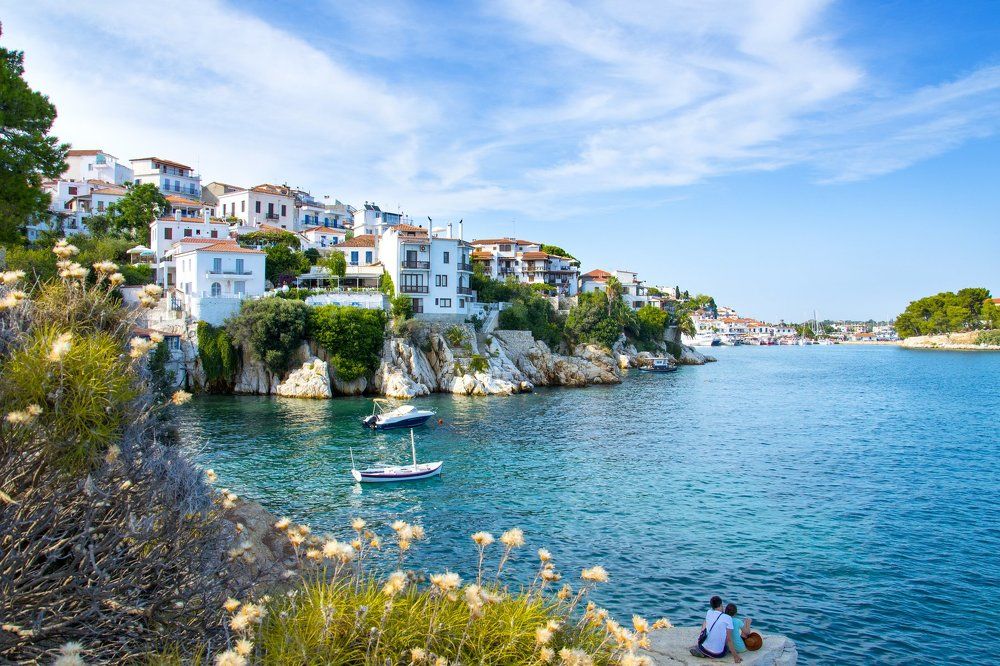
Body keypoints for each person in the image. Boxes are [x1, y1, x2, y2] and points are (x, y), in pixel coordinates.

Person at [690, 596, 742, 663]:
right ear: (721, 605)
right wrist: (736, 656)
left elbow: (705, 625)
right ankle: (712, 651)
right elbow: (729, 639)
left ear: (712, 606)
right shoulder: (728, 618)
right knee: (726, 647)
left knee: (705, 622)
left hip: (703, 649)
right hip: (717, 654)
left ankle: (702, 647)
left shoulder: (709, 612)